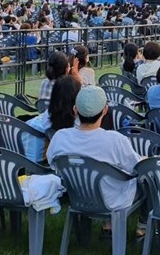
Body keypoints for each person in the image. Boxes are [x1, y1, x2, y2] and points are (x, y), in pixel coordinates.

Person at [47, 86, 142, 217]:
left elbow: (52, 163)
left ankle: (108, 226)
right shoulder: (116, 140)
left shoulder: (60, 137)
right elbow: (136, 168)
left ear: (75, 110)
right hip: (113, 201)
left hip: (77, 196)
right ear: (105, 110)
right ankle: (142, 228)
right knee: (147, 180)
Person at [24, 76, 80, 163]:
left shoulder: (43, 120)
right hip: (45, 166)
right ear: (76, 98)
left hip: (24, 162)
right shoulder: (76, 126)